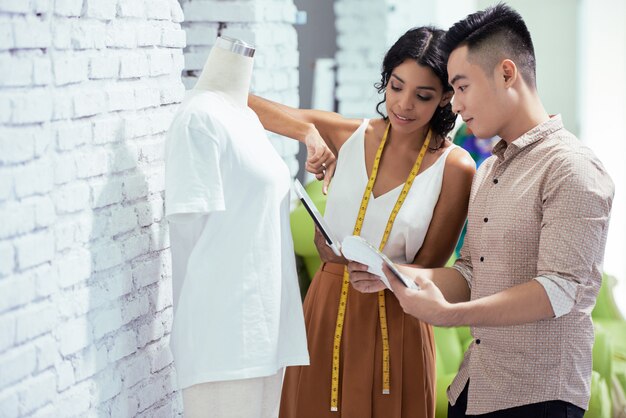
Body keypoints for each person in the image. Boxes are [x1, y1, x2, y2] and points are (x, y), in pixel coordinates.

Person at [349, 4, 615, 418]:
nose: (453, 104)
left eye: (461, 86)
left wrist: (452, 315)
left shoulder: (573, 167)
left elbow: (560, 289)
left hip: (539, 398)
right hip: (474, 388)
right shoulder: (489, 168)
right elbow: (471, 273)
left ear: (506, 73)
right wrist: (389, 272)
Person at [249, 26, 475, 418]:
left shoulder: (455, 167)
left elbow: (432, 269)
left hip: (396, 321)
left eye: (423, 96)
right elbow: (245, 102)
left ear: (444, 98)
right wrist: (307, 133)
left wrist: (385, 273)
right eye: (396, 87)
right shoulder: (349, 134)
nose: (403, 105)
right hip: (325, 307)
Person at [164, 36, 333, 418]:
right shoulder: (199, 119)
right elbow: (189, 239)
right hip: (223, 336)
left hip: (265, 328)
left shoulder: (244, 117)